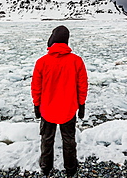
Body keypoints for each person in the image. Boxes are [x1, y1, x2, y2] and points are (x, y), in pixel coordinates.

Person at [31, 25, 88, 177]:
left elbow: (36, 87)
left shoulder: (42, 62)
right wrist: (81, 104)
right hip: (68, 110)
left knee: (47, 139)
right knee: (69, 140)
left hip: (47, 110)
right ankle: (71, 169)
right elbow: (82, 86)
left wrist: (37, 105)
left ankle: (45, 167)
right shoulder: (76, 61)